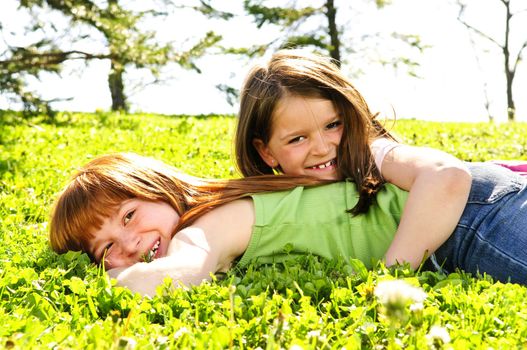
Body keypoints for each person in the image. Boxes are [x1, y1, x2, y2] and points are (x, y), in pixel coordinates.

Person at [49, 153, 527, 297]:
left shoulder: (205, 226)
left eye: (128, 216)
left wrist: (116, 283)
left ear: (160, 187)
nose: (128, 244)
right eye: (104, 249)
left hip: (464, 221)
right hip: (471, 203)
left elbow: (187, 266)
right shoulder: (240, 199)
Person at [234, 49, 526, 269]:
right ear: (266, 151)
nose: (322, 147)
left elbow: (446, 176)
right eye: (298, 138)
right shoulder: (287, 203)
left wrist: (391, 276)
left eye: (333, 125)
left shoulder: (371, 151)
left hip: (488, 212)